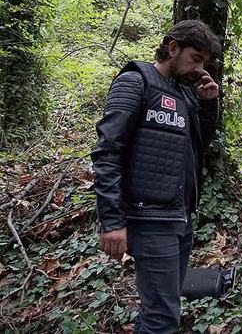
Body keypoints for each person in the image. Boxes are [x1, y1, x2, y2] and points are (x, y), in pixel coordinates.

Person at [91, 20, 225, 333]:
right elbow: (107, 151)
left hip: (179, 217)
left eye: (204, 62)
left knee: (160, 309)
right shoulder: (135, 82)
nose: (199, 68)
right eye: (195, 58)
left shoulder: (186, 93)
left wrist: (207, 104)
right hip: (149, 220)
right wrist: (112, 221)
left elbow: (194, 146)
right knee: (163, 318)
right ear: (173, 48)